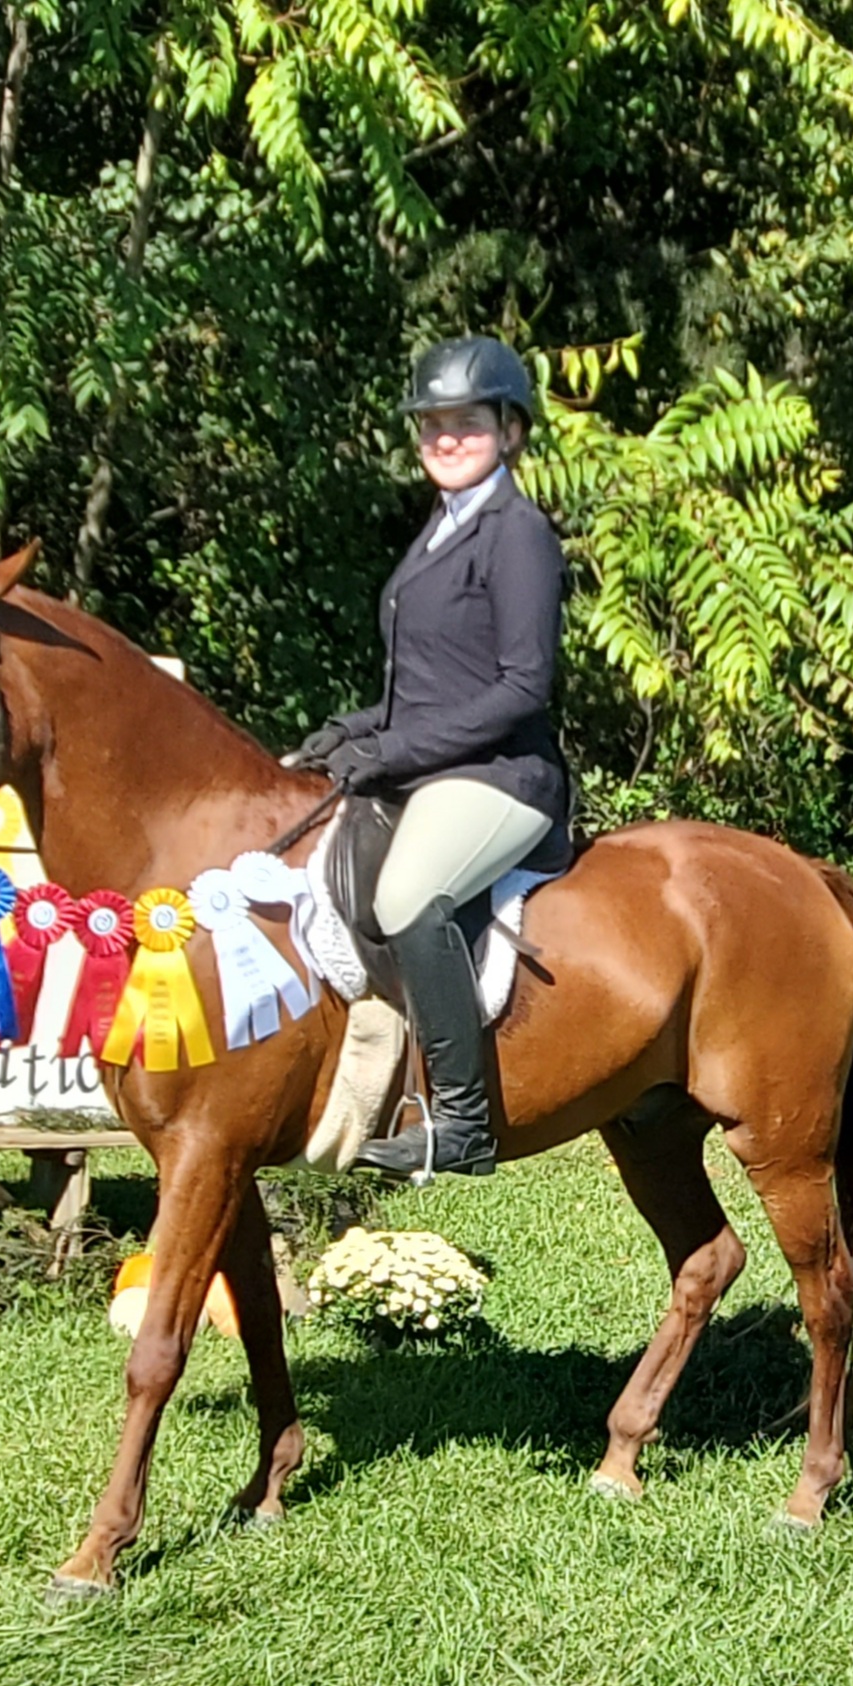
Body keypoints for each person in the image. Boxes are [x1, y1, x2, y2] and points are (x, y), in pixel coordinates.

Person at [286, 335, 571, 1178]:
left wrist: (396, 748)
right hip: (437, 759)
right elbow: (436, 683)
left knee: (409, 893)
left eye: (466, 423)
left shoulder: (516, 533)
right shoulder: (440, 531)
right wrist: (354, 726)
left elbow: (521, 687)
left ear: (509, 431)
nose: (445, 439)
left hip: (503, 775)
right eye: (431, 425)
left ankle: (462, 1123)